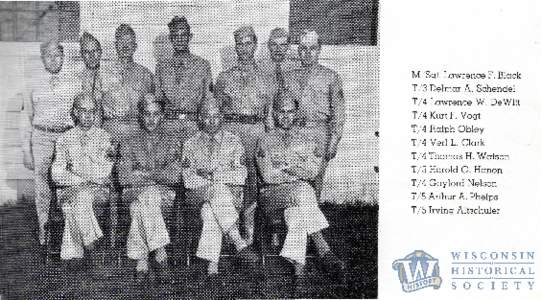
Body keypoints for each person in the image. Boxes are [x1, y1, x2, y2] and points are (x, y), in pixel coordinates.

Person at [256, 89, 345, 292]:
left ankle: (299, 273)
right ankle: (323, 248)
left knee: (297, 214)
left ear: (296, 112)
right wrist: (297, 168)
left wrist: (285, 167)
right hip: (272, 198)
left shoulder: (307, 139)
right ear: (275, 113)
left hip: (295, 199)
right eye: (281, 111)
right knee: (304, 189)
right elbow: (269, 176)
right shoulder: (265, 140)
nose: (285, 116)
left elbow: (313, 172)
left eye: (290, 111)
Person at [181, 97, 259, 286]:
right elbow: (188, 179)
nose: (212, 121)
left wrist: (213, 176)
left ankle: (212, 268)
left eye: (216, 116)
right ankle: (239, 243)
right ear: (199, 118)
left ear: (222, 117)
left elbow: (241, 175)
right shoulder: (190, 144)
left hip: (229, 198)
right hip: (197, 195)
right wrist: (221, 177)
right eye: (207, 116)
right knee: (215, 193)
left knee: (210, 210)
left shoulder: (234, 141)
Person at [214, 25, 276, 244]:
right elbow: (217, 114)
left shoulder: (268, 78)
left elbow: (269, 115)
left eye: (248, 42)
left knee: (251, 180)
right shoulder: (224, 78)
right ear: (235, 46)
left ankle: (248, 227)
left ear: (255, 44)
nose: (244, 48)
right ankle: (227, 226)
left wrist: (268, 141)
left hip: (256, 131)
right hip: (231, 130)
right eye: (239, 43)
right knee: (229, 176)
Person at [20, 39, 80, 250]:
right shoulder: (32, 83)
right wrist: (26, 151)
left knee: (66, 180)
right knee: (43, 184)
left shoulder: (74, 81)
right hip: (42, 136)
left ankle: (68, 228)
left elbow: (79, 114)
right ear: (42, 58)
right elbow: (26, 118)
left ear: (63, 57)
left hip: (65, 137)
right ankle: (44, 227)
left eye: (58, 55)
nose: (54, 60)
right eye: (49, 55)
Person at [118, 94, 181, 285]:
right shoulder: (128, 142)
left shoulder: (173, 142)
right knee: (148, 195)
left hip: (163, 195)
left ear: (162, 116)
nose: (151, 119)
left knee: (140, 206)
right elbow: (123, 178)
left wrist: (143, 174)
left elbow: (175, 176)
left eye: (156, 114)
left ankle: (142, 259)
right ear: (140, 115)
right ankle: (160, 252)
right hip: (133, 193)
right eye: (147, 114)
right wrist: (158, 174)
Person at [51, 93, 115, 278]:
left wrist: (75, 168)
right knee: (80, 197)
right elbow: (56, 175)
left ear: (96, 113)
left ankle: (75, 254)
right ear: (74, 112)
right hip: (70, 190)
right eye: (83, 111)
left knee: (79, 201)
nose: (88, 115)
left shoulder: (106, 138)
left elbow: (104, 172)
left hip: (98, 192)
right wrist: (83, 179)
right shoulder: (64, 139)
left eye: (92, 111)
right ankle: (91, 251)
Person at [283, 30, 346, 198]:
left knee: (315, 181)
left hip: (319, 134)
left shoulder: (331, 77)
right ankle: (293, 221)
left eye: (312, 48)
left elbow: (338, 113)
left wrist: (334, 141)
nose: (307, 53)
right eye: (303, 48)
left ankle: (312, 222)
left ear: (319, 50)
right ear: (298, 50)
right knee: (292, 179)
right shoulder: (289, 77)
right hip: (294, 133)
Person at [155, 16, 212, 140]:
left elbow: (207, 101)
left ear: (190, 37)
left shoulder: (203, 65)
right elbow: (158, 101)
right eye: (175, 36)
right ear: (170, 38)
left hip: (194, 126)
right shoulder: (161, 67)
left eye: (183, 35)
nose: (180, 39)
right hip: (168, 127)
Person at [101, 24, 155, 144]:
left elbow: (155, 109)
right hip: (110, 135)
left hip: (138, 136)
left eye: (129, 42)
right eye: (121, 41)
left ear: (135, 46)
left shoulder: (145, 74)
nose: (125, 45)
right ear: (115, 45)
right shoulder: (103, 73)